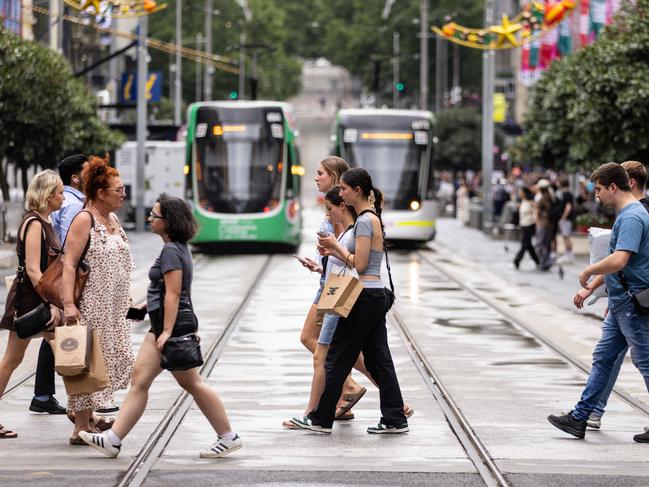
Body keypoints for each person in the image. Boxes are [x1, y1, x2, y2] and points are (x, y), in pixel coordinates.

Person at [80, 195, 242, 458]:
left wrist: (167, 330)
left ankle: (228, 436)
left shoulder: (171, 250)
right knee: (140, 381)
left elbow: (174, 293)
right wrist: (147, 308)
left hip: (173, 326)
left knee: (193, 383)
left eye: (154, 216)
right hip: (163, 324)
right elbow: (164, 290)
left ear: (168, 222)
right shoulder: (175, 247)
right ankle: (113, 439)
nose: (150, 219)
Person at [291, 167, 408, 434]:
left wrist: (335, 246)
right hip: (373, 295)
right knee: (380, 360)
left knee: (336, 356)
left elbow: (361, 264)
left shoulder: (366, 220)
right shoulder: (370, 218)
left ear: (358, 191)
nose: (340, 194)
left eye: (344, 189)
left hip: (364, 296)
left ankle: (320, 419)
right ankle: (395, 417)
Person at [548, 162, 649, 442]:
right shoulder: (629, 214)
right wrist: (591, 287)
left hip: (632, 305)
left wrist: (590, 270)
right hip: (621, 305)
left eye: (600, 190)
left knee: (645, 362)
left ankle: (581, 416)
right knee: (603, 359)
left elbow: (620, 259)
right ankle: (580, 417)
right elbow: (619, 262)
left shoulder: (631, 217)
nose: (596, 196)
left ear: (614, 187)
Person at [283, 156, 367, 427]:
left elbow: (347, 251)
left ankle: (322, 406)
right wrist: (319, 266)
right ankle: (352, 395)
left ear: (333, 176)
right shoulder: (334, 208)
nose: (315, 177)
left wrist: (330, 253)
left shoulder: (341, 210)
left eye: (320, 173)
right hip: (329, 282)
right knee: (335, 350)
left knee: (322, 348)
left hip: (335, 288)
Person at [61, 156, 135, 445]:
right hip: (92, 304)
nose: (124, 194)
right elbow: (69, 264)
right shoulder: (84, 219)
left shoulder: (113, 219)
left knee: (105, 362)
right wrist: (68, 304)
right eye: (119, 190)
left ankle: (87, 419)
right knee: (86, 363)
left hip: (114, 307)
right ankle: (79, 427)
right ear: (100, 193)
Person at [0, 170, 65, 438]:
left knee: (68, 355)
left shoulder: (45, 221)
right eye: (60, 192)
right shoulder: (35, 223)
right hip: (30, 301)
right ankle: (86, 415)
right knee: (15, 359)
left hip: (37, 299)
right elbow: (35, 271)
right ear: (48, 196)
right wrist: (54, 303)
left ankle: (86, 413)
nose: (63, 197)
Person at [51, 154, 88, 244]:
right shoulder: (73, 205)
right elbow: (68, 246)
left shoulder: (67, 199)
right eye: (88, 172)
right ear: (75, 178)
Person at [513, 187, 539, 270]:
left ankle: (517, 260)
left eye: (521, 192)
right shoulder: (522, 202)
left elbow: (536, 212)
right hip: (523, 225)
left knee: (524, 244)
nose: (519, 193)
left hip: (529, 225)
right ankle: (537, 260)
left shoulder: (531, 202)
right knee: (528, 245)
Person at [534, 179, 554, 270]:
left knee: (540, 244)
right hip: (550, 223)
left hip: (543, 223)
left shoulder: (542, 199)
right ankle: (546, 260)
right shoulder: (551, 197)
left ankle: (543, 261)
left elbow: (538, 212)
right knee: (547, 244)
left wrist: (538, 224)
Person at [556, 178, 575, 264]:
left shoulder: (567, 194)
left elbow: (568, 207)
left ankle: (569, 255)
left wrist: (563, 217)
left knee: (566, 236)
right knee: (565, 236)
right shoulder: (565, 193)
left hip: (566, 219)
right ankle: (568, 254)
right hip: (566, 218)